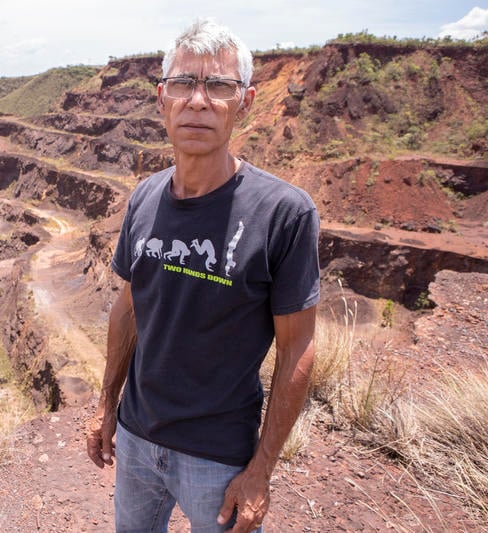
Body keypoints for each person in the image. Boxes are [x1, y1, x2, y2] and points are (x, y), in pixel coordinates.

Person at [86, 18, 320, 533]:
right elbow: (128, 309)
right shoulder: (145, 197)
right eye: (183, 83)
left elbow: (297, 348)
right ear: (160, 99)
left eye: (218, 85)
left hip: (220, 459)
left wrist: (261, 470)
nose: (198, 100)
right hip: (137, 439)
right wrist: (108, 406)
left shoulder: (284, 213)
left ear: (246, 101)